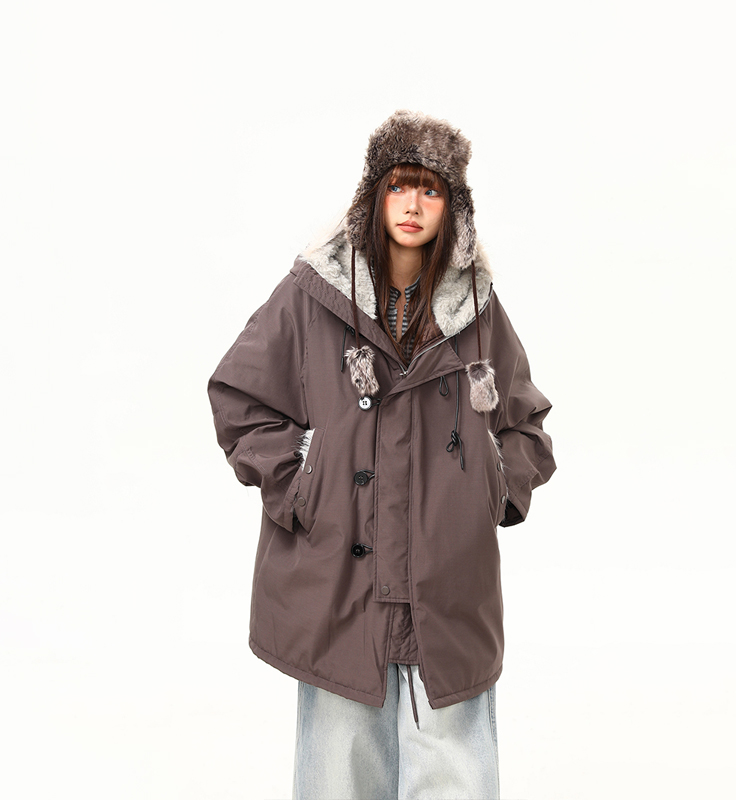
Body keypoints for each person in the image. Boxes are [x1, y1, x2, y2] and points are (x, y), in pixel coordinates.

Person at [208, 110, 556, 800]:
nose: (413, 204)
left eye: (431, 190)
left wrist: (490, 486)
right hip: (339, 582)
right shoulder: (311, 295)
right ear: (374, 196)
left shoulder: (478, 313)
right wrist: (304, 479)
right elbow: (239, 397)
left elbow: (527, 426)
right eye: (399, 186)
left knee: (456, 778)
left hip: (449, 590)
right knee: (340, 780)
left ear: (454, 209)